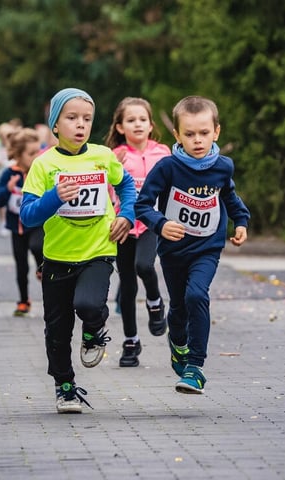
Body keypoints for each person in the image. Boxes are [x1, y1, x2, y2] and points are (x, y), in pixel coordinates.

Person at [20, 88, 136, 413]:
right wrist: (54, 197)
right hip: (57, 256)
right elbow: (28, 214)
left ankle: (94, 328)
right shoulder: (44, 164)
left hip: (99, 249)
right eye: (71, 118)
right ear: (55, 125)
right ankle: (65, 387)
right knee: (57, 331)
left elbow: (125, 184)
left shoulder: (102, 155)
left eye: (86, 119)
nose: (80, 125)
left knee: (87, 304)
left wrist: (127, 214)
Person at [135, 95, 250, 394]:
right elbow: (143, 205)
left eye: (203, 133)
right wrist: (161, 224)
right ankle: (178, 344)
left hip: (207, 248)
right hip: (173, 250)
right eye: (189, 134)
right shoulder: (167, 168)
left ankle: (195, 367)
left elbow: (230, 198)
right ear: (177, 135)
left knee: (197, 295)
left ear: (216, 132)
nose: (197, 140)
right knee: (179, 307)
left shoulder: (222, 167)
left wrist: (241, 223)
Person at [104, 97, 171, 367]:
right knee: (128, 286)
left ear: (151, 124)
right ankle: (131, 342)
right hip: (124, 225)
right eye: (131, 120)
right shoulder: (115, 155)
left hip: (152, 222)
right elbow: (107, 192)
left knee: (145, 265)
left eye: (142, 119)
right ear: (120, 127)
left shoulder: (163, 153)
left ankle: (155, 303)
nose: (138, 124)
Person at [0, 127, 45, 316]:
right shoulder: (10, 174)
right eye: (31, 153)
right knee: (21, 266)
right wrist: (7, 189)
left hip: (37, 224)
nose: (37, 156)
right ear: (18, 154)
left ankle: (42, 267)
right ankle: (23, 301)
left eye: (39, 151)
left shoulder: (41, 172)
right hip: (16, 228)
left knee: (37, 246)